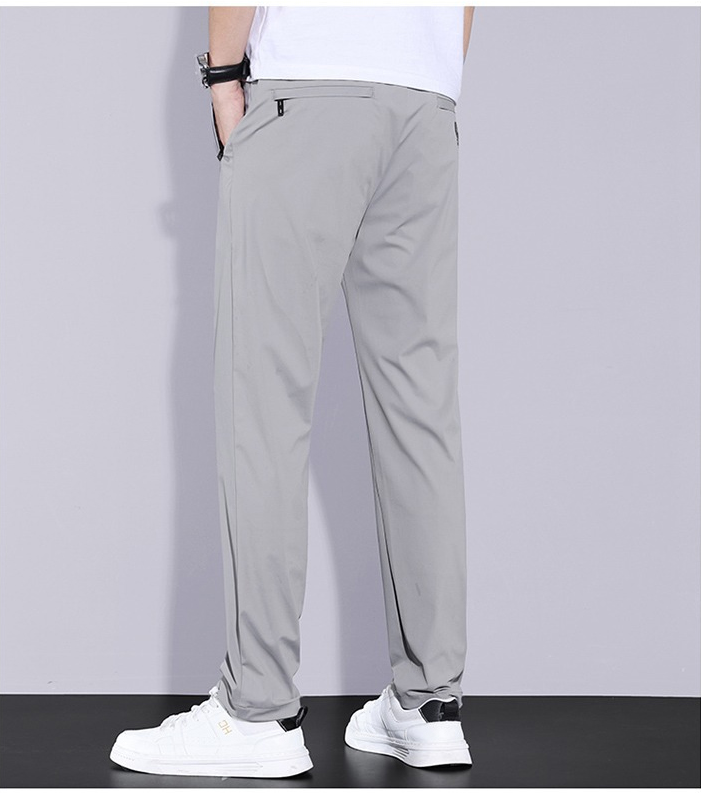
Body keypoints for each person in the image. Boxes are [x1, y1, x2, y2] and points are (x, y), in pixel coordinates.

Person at [110, 5, 476, 779]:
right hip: (424, 100)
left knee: (263, 403)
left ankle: (257, 710)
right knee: (419, 411)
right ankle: (429, 703)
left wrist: (222, 78)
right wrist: (430, 74)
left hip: (308, 90)